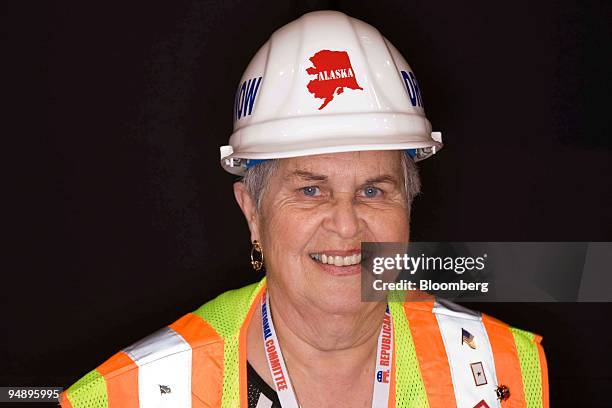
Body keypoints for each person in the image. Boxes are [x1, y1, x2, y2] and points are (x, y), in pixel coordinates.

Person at [59, 10, 548, 408]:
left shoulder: (502, 368)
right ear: (252, 211)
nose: (345, 223)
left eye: (373, 191)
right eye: (311, 190)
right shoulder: (128, 395)